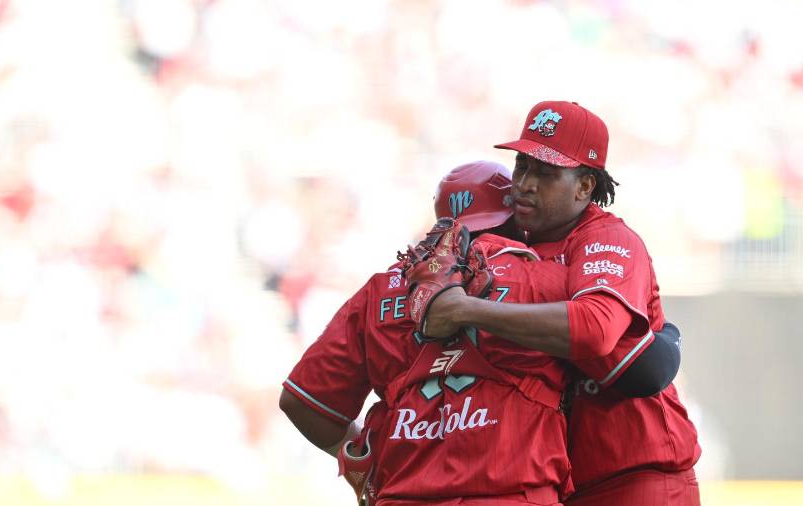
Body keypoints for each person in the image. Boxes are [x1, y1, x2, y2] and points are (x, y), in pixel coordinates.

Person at [280, 161, 682, 505]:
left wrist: (360, 457)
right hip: (514, 491)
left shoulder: (379, 292)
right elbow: (639, 367)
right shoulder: (549, 281)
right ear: (512, 217)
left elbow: (304, 402)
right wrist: (668, 337)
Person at [420, 101, 702, 505]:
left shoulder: (608, 239)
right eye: (522, 167)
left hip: (637, 475)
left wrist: (465, 309)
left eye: (547, 173)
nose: (525, 184)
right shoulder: (515, 247)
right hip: (557, 481)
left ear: (586, 186)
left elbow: (596, 330)